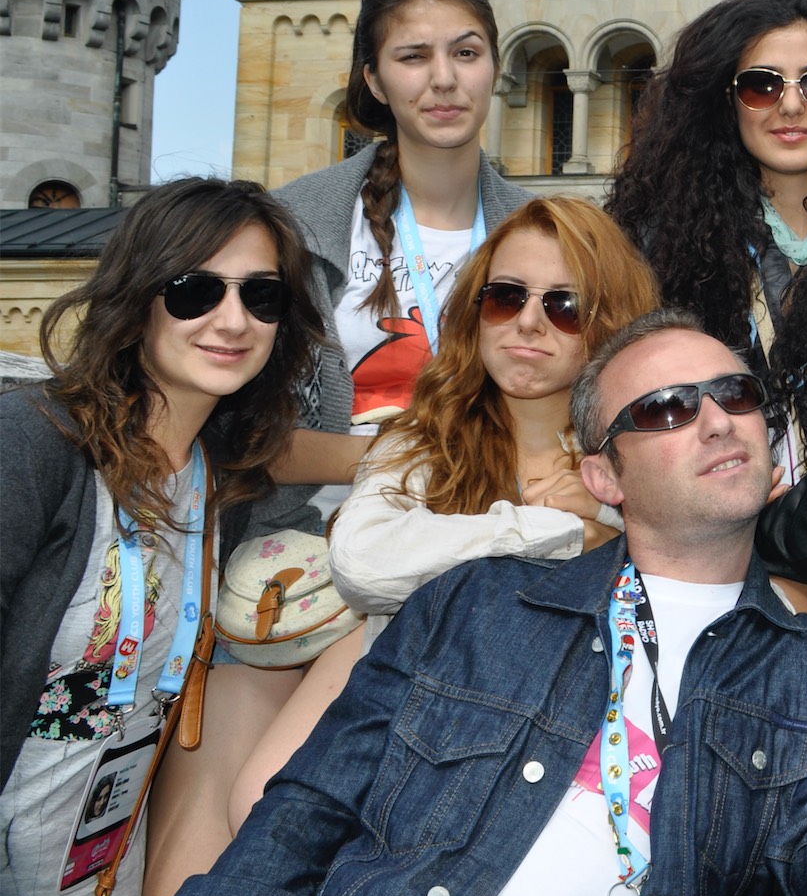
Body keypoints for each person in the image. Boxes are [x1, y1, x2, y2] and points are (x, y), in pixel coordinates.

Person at [163, 310, 807, 896]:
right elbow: (303, 817)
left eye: (737, 396)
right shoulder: (476, 604)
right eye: (668, 410)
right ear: (603, 474)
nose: (718, 421)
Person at [141, 0, 532, 896]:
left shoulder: (544, 233)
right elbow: (240, 429)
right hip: (290, 568)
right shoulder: (294, 222)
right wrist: (388, 458)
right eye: (414, 56)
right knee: (205, 830)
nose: (443, 79)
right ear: (373, 78)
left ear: (495, 67)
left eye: (466, 52)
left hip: (463, 571)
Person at [218, 197, 661, 834]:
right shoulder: (421, 441)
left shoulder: (641, 455)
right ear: (476, 311)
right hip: (411, 714)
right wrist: (558, 530)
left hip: (569, 739)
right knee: (266, 814)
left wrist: (606, 521)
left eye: (564, 306)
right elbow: (364, 563)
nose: (528, 322)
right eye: (505, 297)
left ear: (611, 323)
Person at [1, 177, 323, 896]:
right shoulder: (34, 443)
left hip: (102, 880)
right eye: (194, 290)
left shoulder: (218, 478)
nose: (233, 320)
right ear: (139, 297)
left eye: (262, 296)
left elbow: (301, 453)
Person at [607, 0, 807, 601]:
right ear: (724, 101)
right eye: (762, 85)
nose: (792, 105)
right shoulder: (650, 249)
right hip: (704, 560)